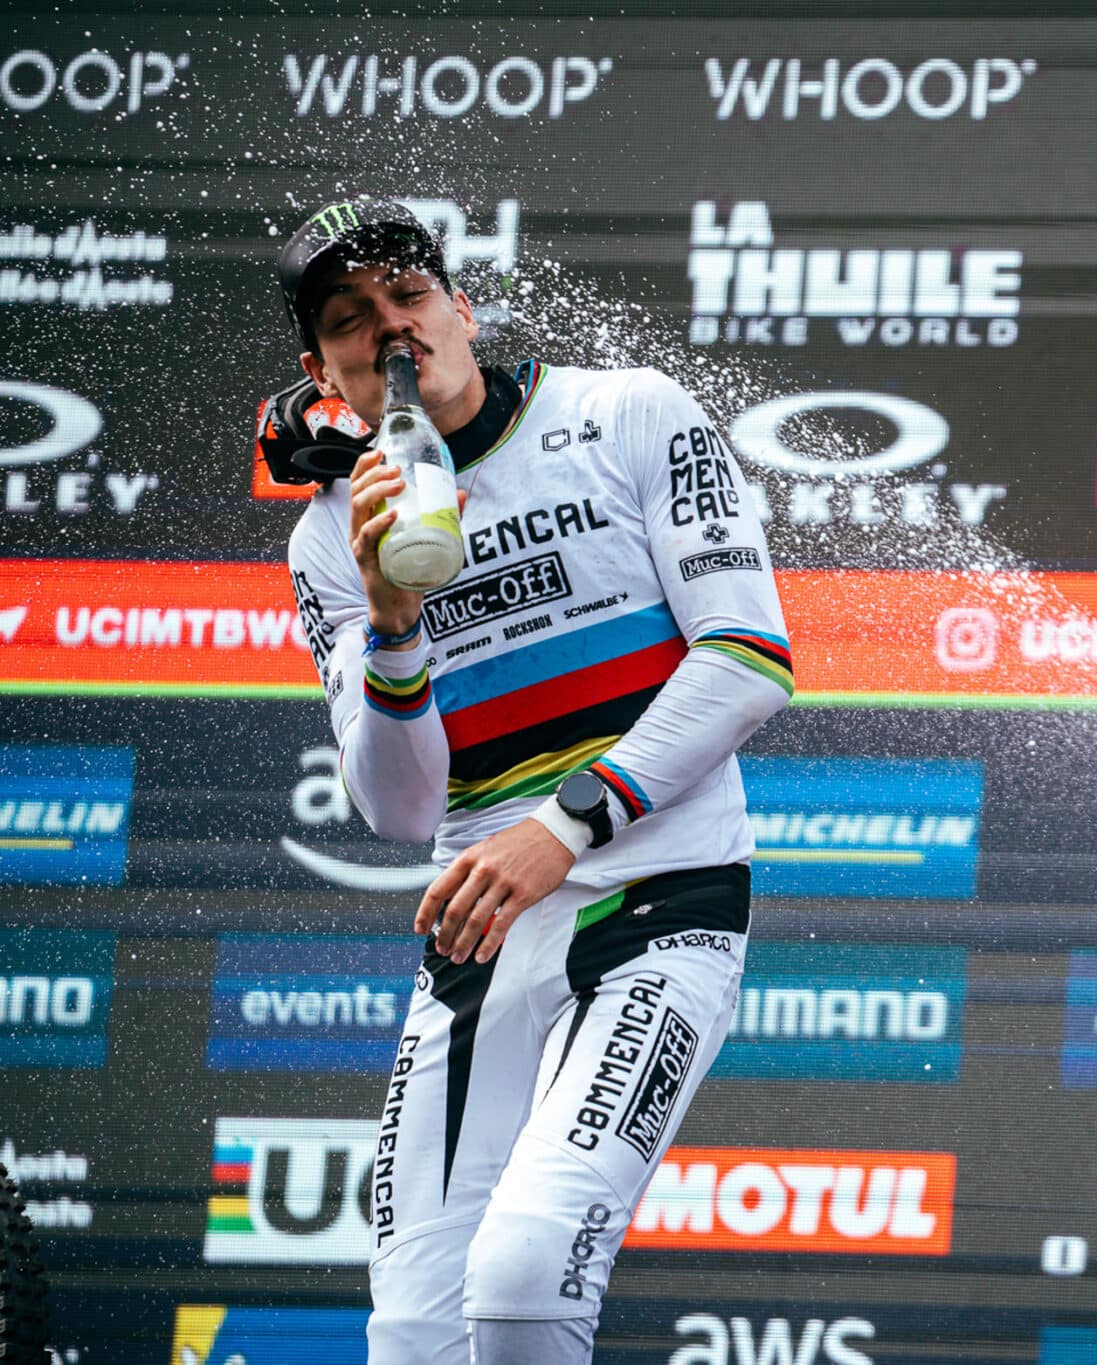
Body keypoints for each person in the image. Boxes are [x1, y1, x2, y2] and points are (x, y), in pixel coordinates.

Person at [269, 197, 794, 1365]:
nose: (389, 327)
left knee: (520, 1278)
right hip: (479, 940)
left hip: (658, 902)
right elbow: (402, 808)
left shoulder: (625, 412)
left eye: (408, 293)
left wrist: (561, 826)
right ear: (323, 375)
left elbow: (749, 659)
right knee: (414, 1334)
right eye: (349, 319)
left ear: (461, 309)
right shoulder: (329, 538)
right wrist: (393, 625)